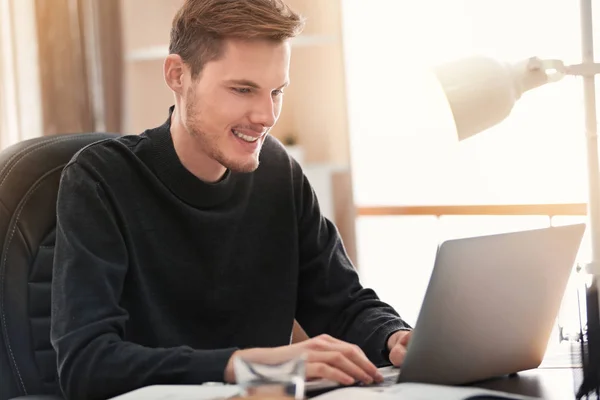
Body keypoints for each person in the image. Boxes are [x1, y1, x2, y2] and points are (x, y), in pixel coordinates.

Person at [50, 0, 413, 399]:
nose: (266, 115)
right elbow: (86, 364)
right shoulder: (100, 179)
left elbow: (342, 303)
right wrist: (248, 366)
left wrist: (393, 336)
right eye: (243, 90)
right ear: (177, 75)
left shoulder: (279, 173)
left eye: (276, 91)